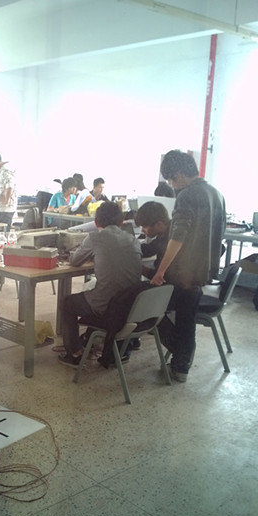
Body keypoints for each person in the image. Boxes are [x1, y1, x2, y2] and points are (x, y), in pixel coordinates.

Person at [150, 150, 226, 382]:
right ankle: (181, 365)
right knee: (186, 319)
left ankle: (181, 357)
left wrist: (161, 270)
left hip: (183, 271)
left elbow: (178, 236)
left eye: (171, 180)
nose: (172, 186)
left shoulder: (187, 195)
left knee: (148, 308)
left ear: (179, 174)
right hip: (202, 271)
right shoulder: (216, 193)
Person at [58, 201, 142, 367]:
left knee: (67, 303)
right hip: (131, 306)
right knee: (94, 287)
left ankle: (75, 353)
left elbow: (74, 261)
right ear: (121, 222)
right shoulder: (133, 240)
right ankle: (90, 340)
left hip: (107, 306)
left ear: (96, 223)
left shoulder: (95, 237)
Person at [135, 201, 171, 279]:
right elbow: (150, 249)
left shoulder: (170, 241)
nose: (142, 231)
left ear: (159, 224)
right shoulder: (166, 233)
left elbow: (162, 278)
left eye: (145, 226)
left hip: (172, 285)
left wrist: (138, 268)